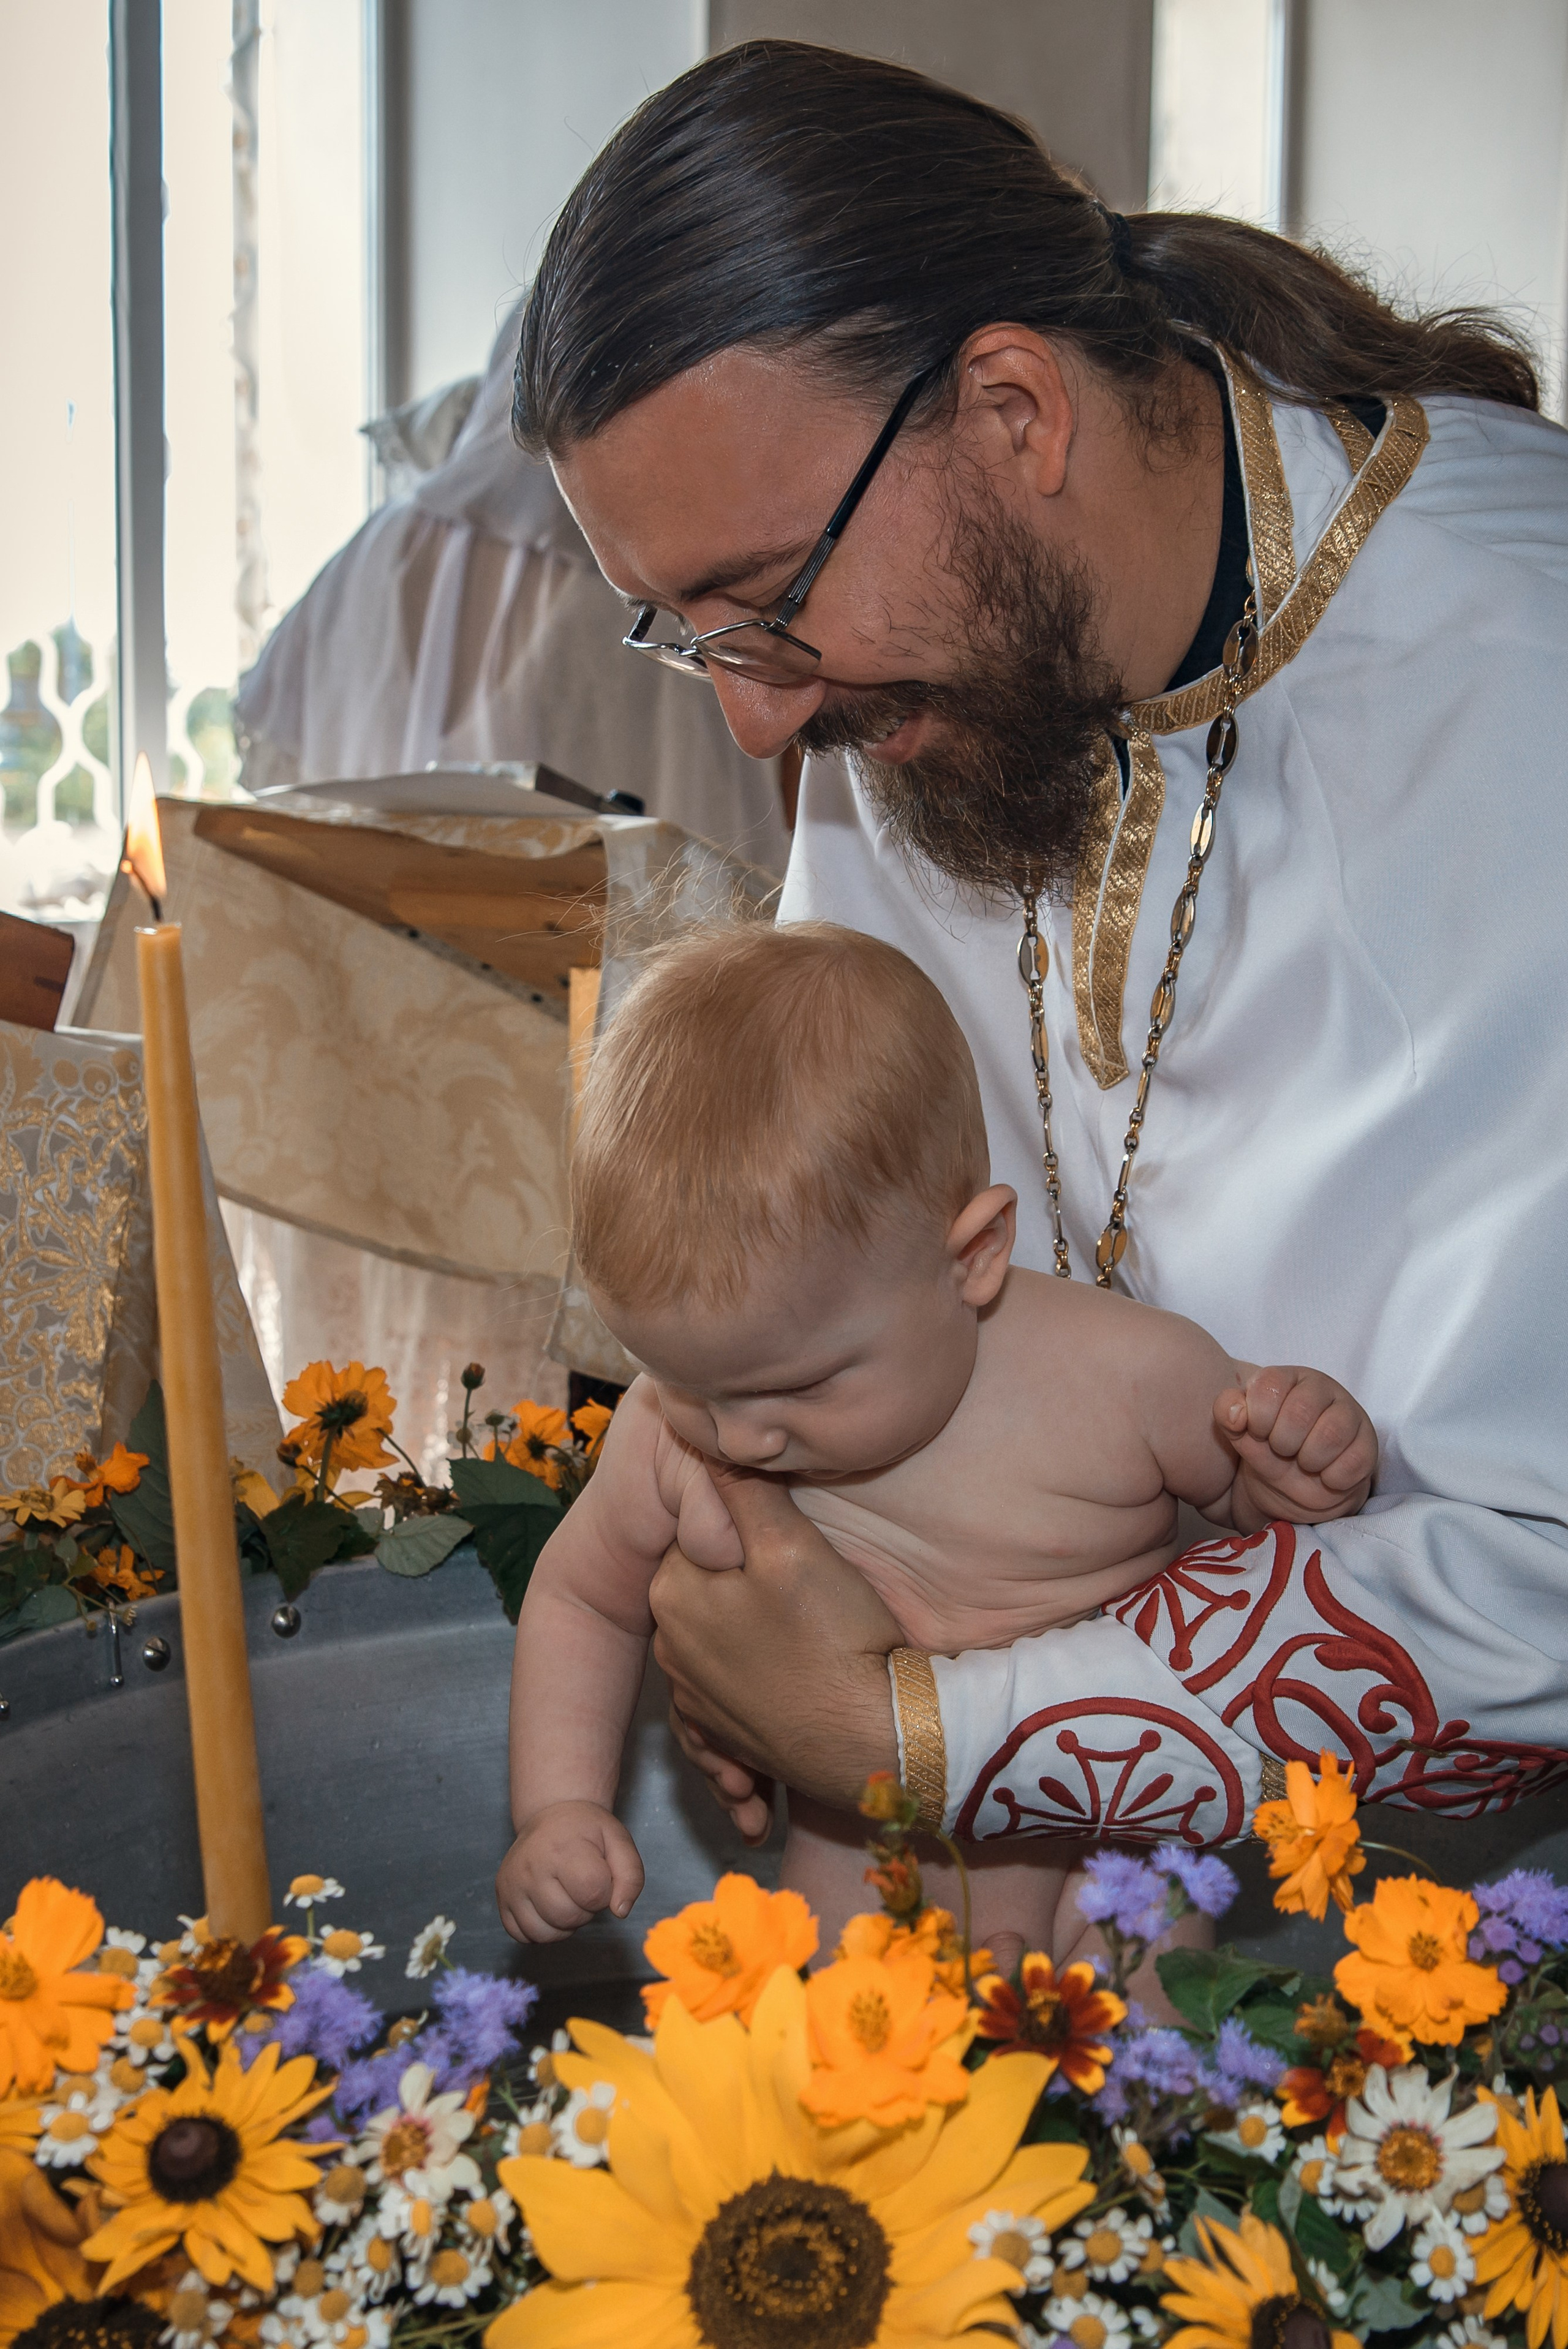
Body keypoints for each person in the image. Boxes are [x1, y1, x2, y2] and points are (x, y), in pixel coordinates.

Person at [510, 39, 1568, 1853]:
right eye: (696, 637)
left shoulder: (1523, 689)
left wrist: (925, 1723)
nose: (759, 732)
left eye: (767, 605)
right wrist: (771, 1591)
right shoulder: (937, 672)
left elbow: (1539, 1569)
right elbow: (865, 1240)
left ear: (1014, 412)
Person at [497, 922, 1379, 1971]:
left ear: (973, 1257)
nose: (737, 1437)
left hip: (1109, 1836)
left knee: (1144, 2050)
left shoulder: (1128, 1378)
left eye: (799, 1385)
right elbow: (584, 1597)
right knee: (847, 2080)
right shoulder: (670, 1427)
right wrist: (557, 1805)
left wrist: (1301, 1467)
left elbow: (1266, 1546)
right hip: (867, 1854)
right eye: (685, 1381)